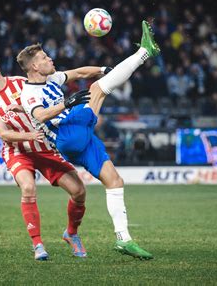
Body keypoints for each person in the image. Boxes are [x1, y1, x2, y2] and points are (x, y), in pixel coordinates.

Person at [17, 21, 160, 260]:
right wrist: (67, 103)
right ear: (34, 66)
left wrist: (107, 69)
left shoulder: (51, 78)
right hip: (66, 134)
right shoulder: (29, 93)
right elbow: (40, 115)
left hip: (81, 136)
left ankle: (123, 239)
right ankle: (145, 51)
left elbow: (81, 72)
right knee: (98, 90)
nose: (50, 59)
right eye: (44, 57)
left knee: (114, 181)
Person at [0, 52, 87, 260]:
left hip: (44, 147)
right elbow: (4, 133)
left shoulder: (22, 84)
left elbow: (42, 104)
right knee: (28, 187)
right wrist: (28, 135)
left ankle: (71, 233)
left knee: (79, 192)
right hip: (17, 151)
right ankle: (38, 245)